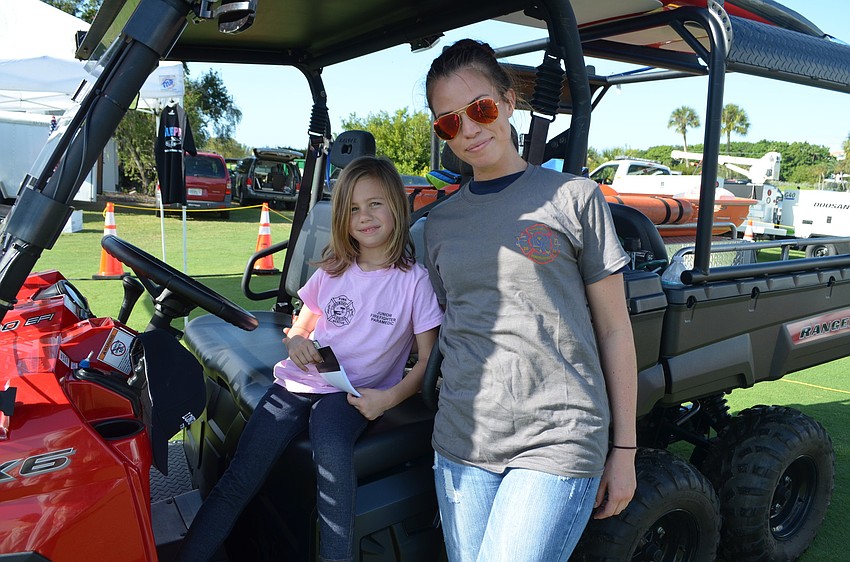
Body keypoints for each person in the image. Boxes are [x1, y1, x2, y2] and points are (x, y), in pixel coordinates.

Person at [423, 39, 638, 562]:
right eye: (449, 122)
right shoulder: (439, 224)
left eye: (479, 109)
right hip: (461, 442)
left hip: (558, 436)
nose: (469, 130)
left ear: (508, 102)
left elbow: (613, 329)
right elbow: (442, 325)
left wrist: (625, 450)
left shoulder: (573, 197)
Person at [178, 156, 443, 562]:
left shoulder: (414, 282)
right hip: (299, 382)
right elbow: (301, 328)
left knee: (333, 488)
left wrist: (386, 399)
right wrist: (296, 342)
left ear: (396, 205)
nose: (365, 216)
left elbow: (426, 362)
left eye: (375, 204)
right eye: (353, 208)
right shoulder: (334, 270)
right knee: (238, 479)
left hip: (351, 397)